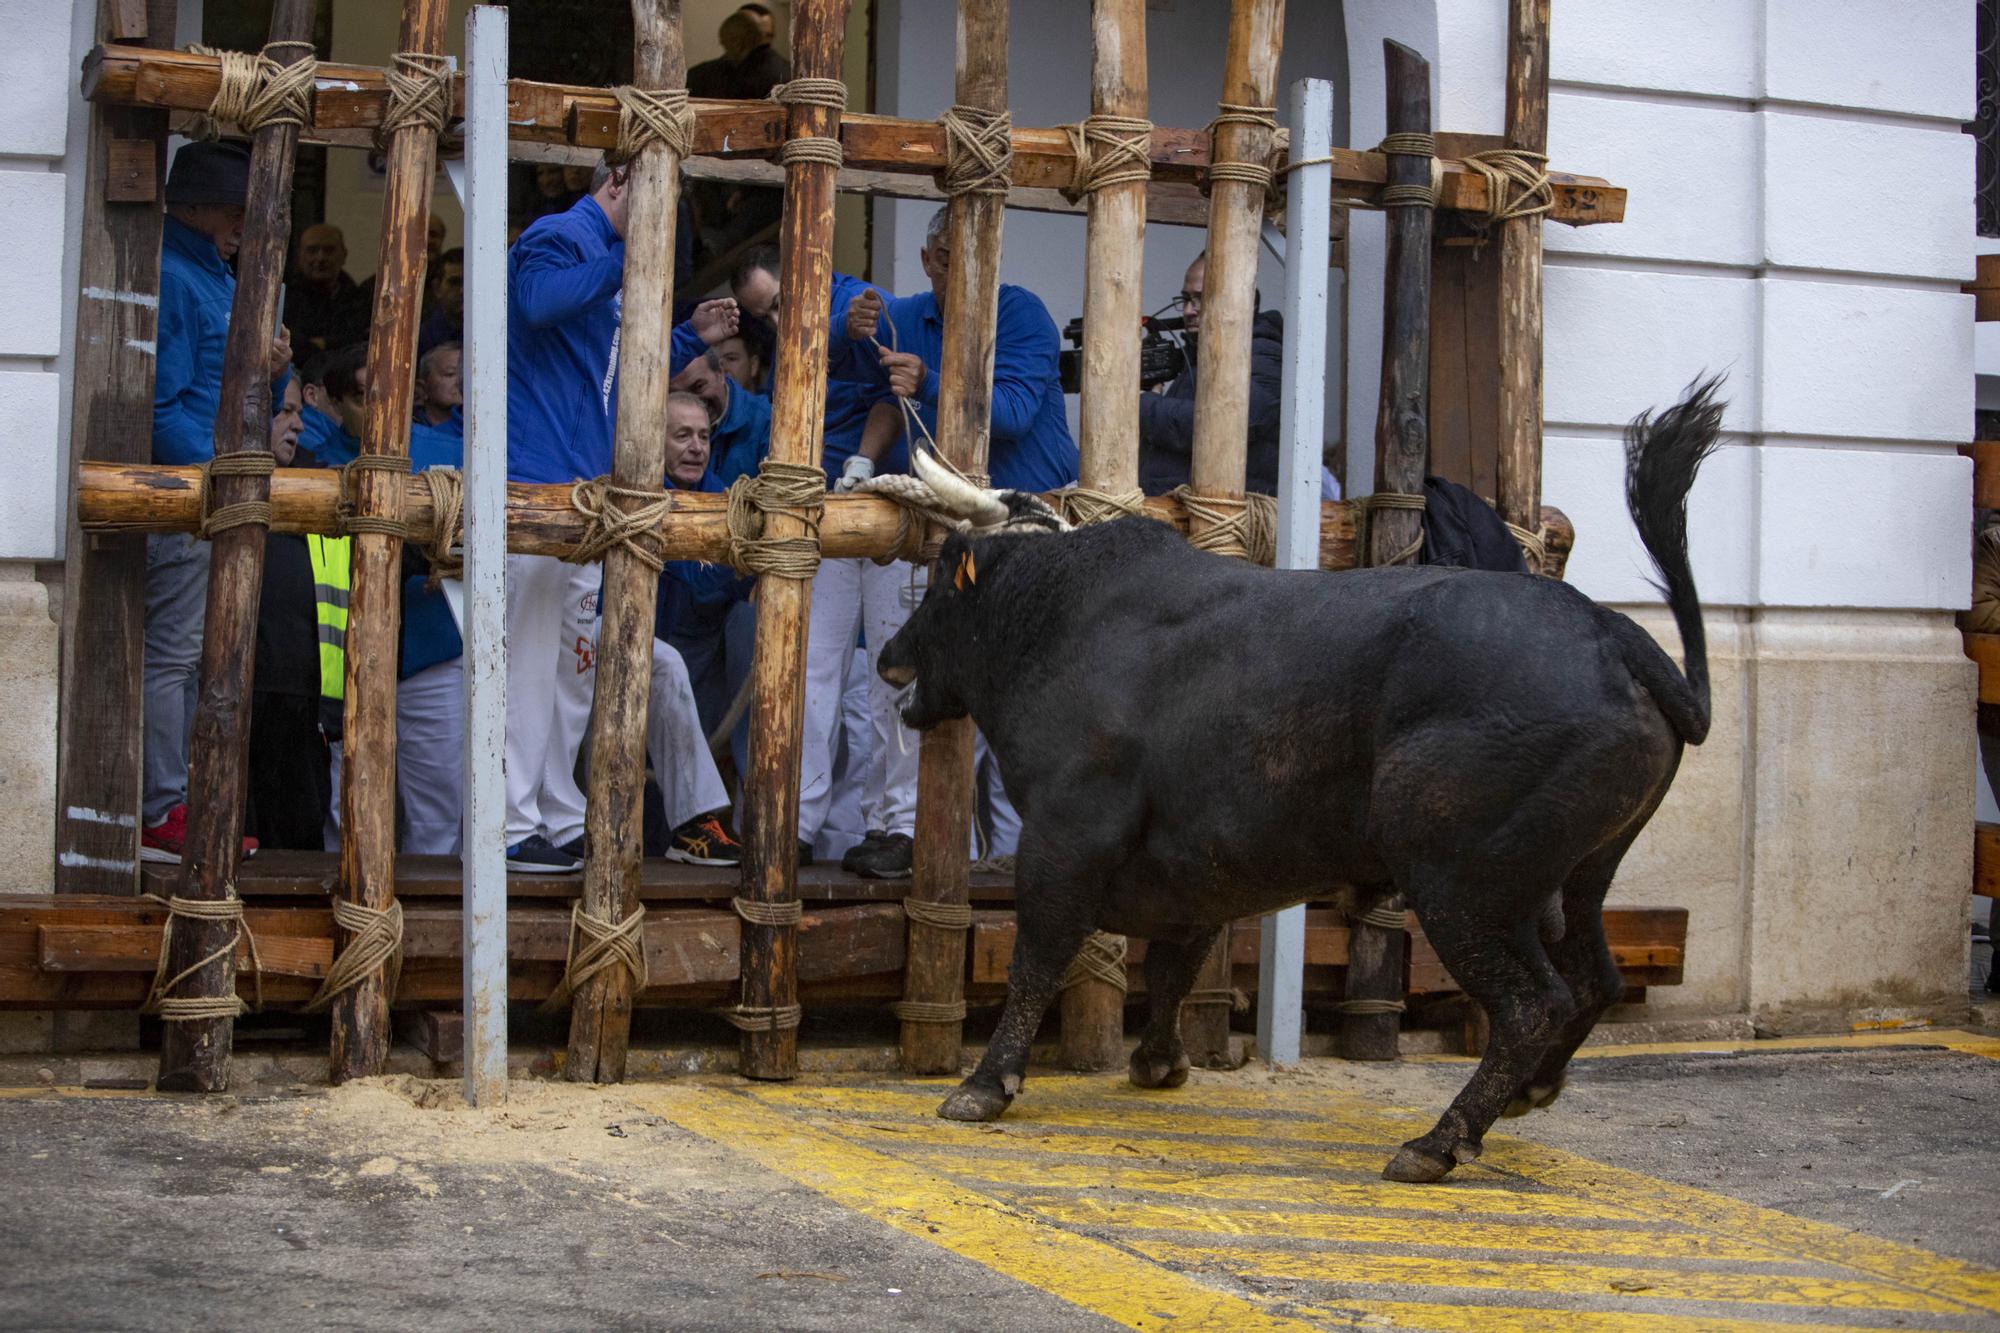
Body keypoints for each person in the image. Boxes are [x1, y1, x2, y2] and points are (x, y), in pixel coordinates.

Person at [502, 155, 740, 873]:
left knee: (573, 668)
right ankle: (514, 823)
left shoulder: (600, 256)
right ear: (616, 182)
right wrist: (626, 262)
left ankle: (556, 811)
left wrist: (684, 335)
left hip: (585, 491)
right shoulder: (558, 234)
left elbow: (610, 361)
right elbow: (540, 300)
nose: (658, 221)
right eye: (652, 199)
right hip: (536, 480)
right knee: (529, 663)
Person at [831, 203, 1079, 869]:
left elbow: (1016, 415)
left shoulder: (1023, 314)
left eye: (977, 260)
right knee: (924, 681)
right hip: (953, 533)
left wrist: (930, 381)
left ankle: (1025, 854)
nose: (964, 274)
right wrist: (848, 326)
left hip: (1031, 532)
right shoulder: (907, 314)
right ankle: (913, 836)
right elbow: (862, 377)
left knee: (1020, 698)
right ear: (927, 261)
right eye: (949, 260)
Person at [142, 139, 290, 864]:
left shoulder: (213, 275)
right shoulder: (178, 275)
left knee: (197, 660)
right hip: (190, 499)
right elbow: (161, 408)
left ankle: (179, 803)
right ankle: (160, 808)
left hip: (210, 495)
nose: (245, 224)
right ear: (198, 208)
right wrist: (217, 484)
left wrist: (276, 367)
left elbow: (237, 393)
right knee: (173, 658)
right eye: (235, 209)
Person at [546, 393, 743, 864]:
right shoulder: (619, 489)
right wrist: (739, 569)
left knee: (660, 664)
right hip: (572, 632)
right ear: (651, 442)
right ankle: (571, 830)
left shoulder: (720, 500)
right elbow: (700, 583)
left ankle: (694, 825)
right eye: (682, 435)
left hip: (674, 664)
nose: (697, 447)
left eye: (703, 436)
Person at [245, 380, 333, 850]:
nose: (298, 423)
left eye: (298, 411)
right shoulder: (219, 482)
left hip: (299, 693)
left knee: (297, 835)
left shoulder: (316, 485)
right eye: (284, 410)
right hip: (237, 692)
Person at [1137, 249, 1284, 496]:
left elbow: (1221, 424)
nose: (1187, 311)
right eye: (1185, 299)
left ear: (1240, 301)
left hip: (1224, 519)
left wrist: (1142, 405)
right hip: (1178, 516)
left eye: (1200, 299)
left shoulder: (1263, 355)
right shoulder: (1197, 357)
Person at [395, 402, 468, 854]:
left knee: (451, 817)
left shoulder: (478, 446)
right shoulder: (333, 455)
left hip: (448, 654)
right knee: (432, 820)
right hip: (414, 656)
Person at [287, 223, 373, 358]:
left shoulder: (360, 299)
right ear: (299, 255)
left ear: (344, 255)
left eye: (329, 250)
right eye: (312, 250)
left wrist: (322, 343)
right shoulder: (285, 297)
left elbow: (361, 340)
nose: (320, 258)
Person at [300, 342, 367, 467]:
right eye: (361, 399)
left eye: (389, 400)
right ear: (337, 403)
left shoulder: (415, 439)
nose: (378, 413)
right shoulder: (320, 460)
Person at [414, 340, 462, 428]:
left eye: (465, 374)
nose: (461, 381)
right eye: (450, 374)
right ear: (421, 389)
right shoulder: (410, 432)